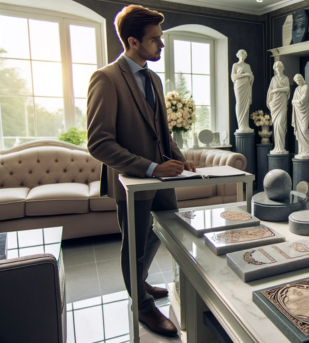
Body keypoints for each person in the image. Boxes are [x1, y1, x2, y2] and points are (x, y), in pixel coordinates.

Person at [87, 5, 195, 337]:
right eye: (155, 40)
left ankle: (140, 283)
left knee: (165, 233)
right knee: (133, 246)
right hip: (132, 181)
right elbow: (99, 143)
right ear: (133, 41)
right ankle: (143, 307)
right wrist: (150, 168)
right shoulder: (105, 79)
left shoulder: (154, 78)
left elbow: (161, 132)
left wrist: (180, 158)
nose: (161, 45)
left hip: (164, 178)